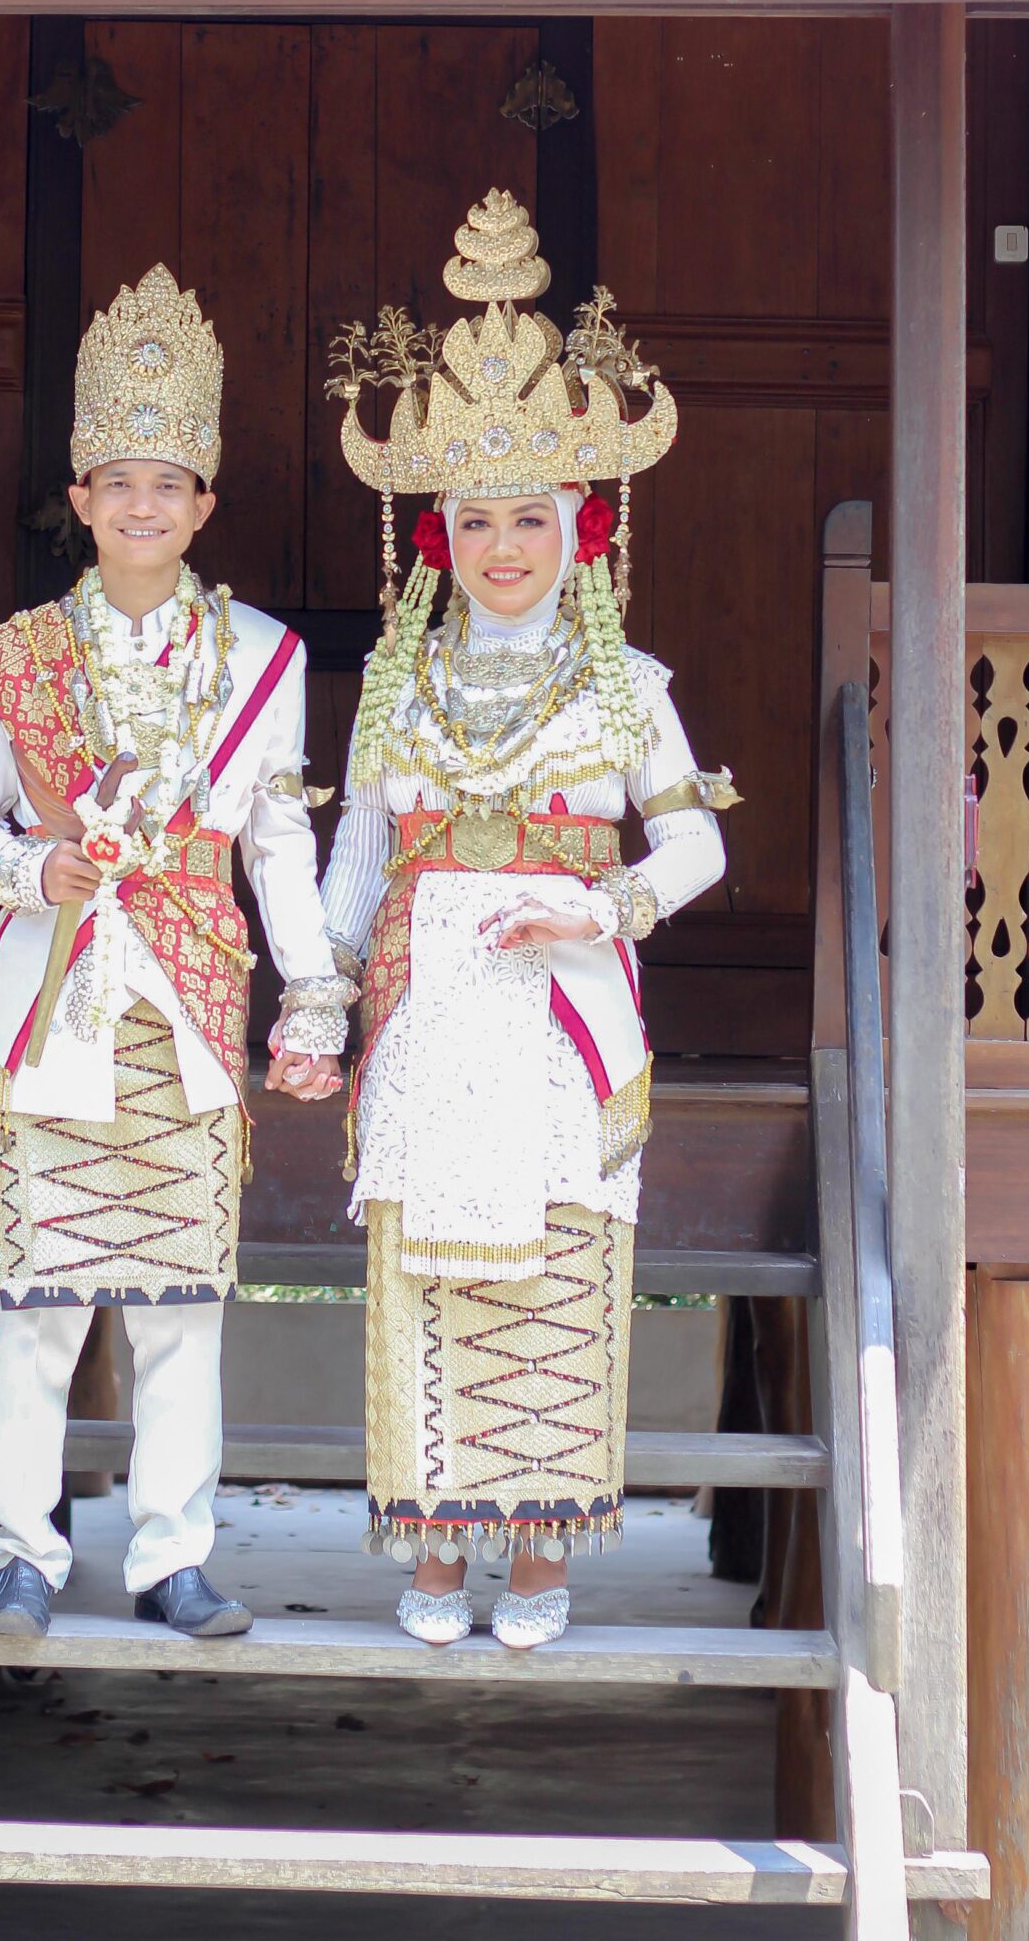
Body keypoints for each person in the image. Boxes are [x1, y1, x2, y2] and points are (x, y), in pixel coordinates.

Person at [321, 191, 737, 1651]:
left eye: (531, 519)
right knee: (427, 1263)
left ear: (581, 527)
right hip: (429, 1005)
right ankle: (437, 1552)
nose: (505, 546)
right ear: (442, 534)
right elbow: (356, 861)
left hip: (565, 1010)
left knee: (556, 1258)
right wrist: (316, 1005)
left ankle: (544, 1554)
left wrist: (599, 904)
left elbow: (696, 847)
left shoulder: (632, 687)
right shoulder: (394, 684)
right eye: (480, 520)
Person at [0, 265, 349, 1643]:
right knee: (40, 1301)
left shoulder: (263, 658)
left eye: (168, 486)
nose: (144, 507)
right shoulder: (8, 661)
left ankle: (174, 1557)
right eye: (120, 484)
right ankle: (24, 1555)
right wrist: (27, 869)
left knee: (182, 1305)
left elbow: (276, 839)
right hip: (55, 996)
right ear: (83, 496)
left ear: (203, 504)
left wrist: (313, 988)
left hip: (187, 1001)